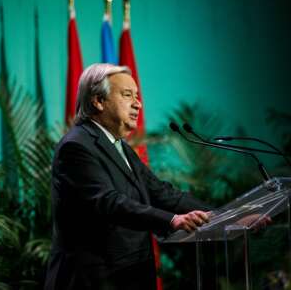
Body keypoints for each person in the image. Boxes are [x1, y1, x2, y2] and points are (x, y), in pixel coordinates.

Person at [44, 63, 211, 290]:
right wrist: (172, 220)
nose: (138, 103)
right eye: (127, 95)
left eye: (137, 96)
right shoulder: (76, 146)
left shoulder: (118, 145)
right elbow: (107, 202)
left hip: (130, 274)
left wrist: (225, 216)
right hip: (93, 279)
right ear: (98, 101)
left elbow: (160, 192)